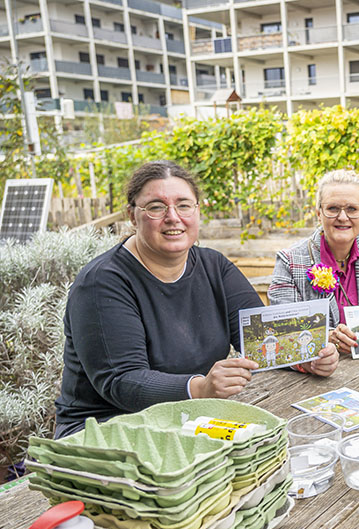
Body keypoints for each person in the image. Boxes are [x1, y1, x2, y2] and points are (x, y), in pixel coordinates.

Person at [55, 160, 338, 438]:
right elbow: (121, 381)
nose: (173, 216)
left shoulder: (214, 266)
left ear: (197, 211)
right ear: (132, 215)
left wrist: (308, 358)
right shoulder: (102, 282)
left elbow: (261, 339)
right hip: (107, 431)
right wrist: (199, 388)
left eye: (184, 205)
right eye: (156, 207)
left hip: (189, 422)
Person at [268, 169, 359, 354]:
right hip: (318, 371)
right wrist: (327, 337)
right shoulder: (290, 261)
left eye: (352, 209)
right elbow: (284, 327)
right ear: (319, 214)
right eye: (333, 209)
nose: (343, 217)